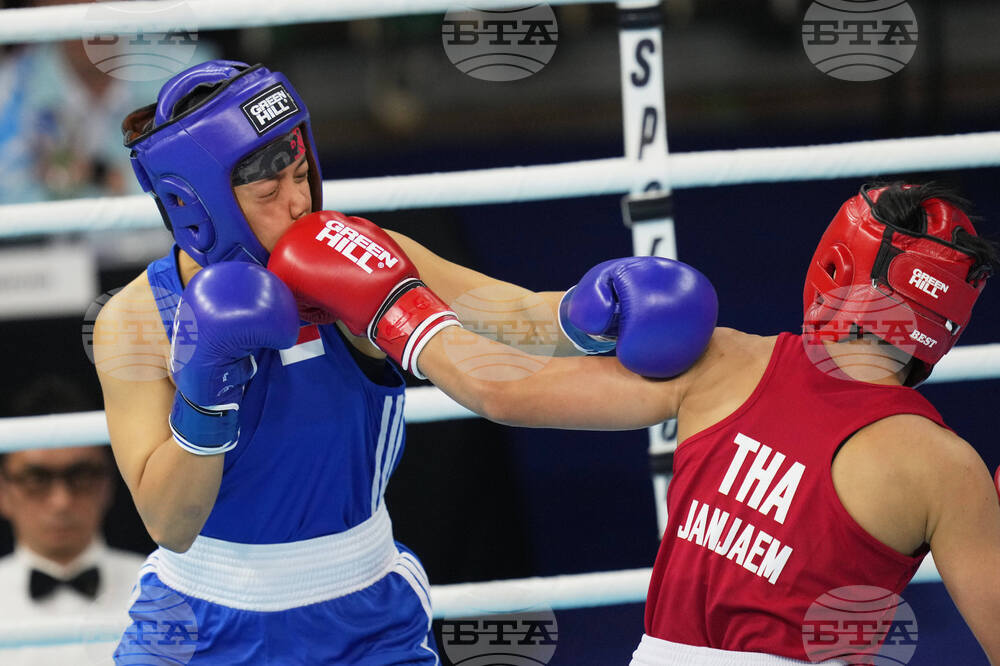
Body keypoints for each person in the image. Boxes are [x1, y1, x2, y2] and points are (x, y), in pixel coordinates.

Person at [272, 182, 1000, 663]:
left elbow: (504, 390)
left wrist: (382, 285)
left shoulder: (726, 362)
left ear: (835, 265)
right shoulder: (948, 469)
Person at [95, 59, 586, 664]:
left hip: (361, 618)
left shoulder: (361, 261)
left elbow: (515, 316)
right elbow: (171, 525)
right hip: (195, 623)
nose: (299, 202)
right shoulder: (137, 320)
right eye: (269, 191)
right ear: (195, 206)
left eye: (302, 175)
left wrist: (596, 315)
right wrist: (206, 392)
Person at [0, 376, 146, 666]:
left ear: (109, 483)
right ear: (3, 491)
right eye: (36, 479)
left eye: (81, 476)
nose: (61, 502)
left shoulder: (158, 590)